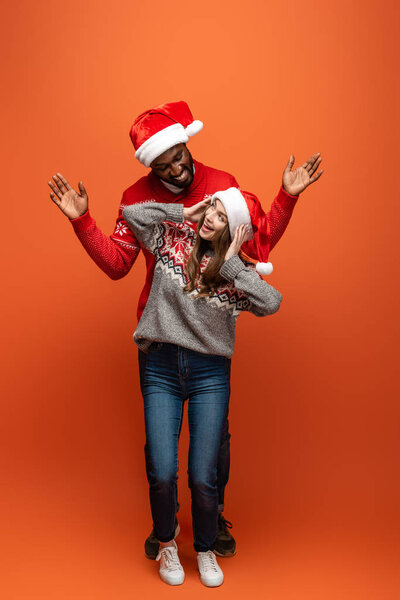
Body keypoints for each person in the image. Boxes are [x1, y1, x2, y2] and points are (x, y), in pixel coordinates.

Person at [48, 100, 323, 559]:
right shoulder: (137, 198)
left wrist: (286, 196)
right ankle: (167, 526)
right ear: (151, 165)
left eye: (179, 157)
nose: (176, 170)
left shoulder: (221, 185)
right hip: (159, 335)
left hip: (209, 336)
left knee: (212, 450)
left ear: (186, 144)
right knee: (161, 457)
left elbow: (254, 245)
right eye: (164, 165)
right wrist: (82, 221)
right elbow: (117, 264)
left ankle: (214, 519)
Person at [122, 187, 284, 586]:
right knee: (162, 470)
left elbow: (272, 301)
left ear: (236, 231)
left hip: (210, 373)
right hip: (160, 365)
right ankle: (166, 545)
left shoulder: (237, 274)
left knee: (202, 474)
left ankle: (206, 549)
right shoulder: (172, 239)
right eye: (213, 208)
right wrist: (183, 210)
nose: (212, 217)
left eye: (222, 216)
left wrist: (232, 267)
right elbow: (130, 214)